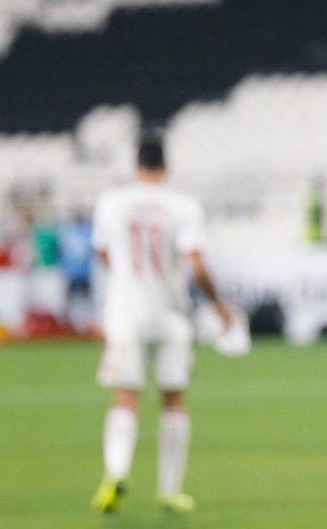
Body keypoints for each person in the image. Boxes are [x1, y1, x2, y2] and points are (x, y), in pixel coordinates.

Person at [89, 136, 232, 514]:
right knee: (173, 398)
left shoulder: (111, 202)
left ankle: (116, 472)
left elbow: (103, 253)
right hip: (171, 311)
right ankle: (170, 489)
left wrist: (127, 278)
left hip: (126, 310)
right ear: (166, 166)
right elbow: (195, 263)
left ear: (136, 165)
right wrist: (218, 305)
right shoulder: (182, 205)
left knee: (126, 394)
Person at [58, 210, 95, 332]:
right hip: (72, 274)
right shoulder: (67, 231)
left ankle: (86, 325)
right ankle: (69, 326)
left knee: (86, 302)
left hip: (84, 273)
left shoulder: (87, 230)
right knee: (70, 302)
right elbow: (61, 251)